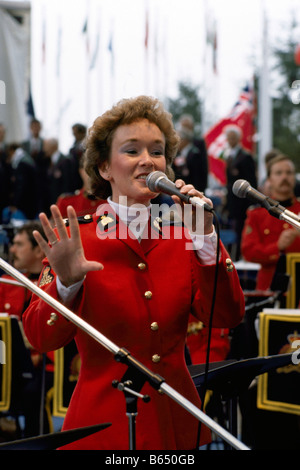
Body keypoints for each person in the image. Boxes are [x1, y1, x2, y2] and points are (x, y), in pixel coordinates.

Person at [22, 95, 245, 450]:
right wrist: (66, 284)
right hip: (102, 425)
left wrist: (204, 238)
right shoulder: (80, 239)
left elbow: (227, 315)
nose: (148, 161)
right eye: (132, 150)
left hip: (176, 421)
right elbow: (39, 337)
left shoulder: (181, 237)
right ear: (104, 168)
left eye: (157, 152)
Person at [0, 222, 53, 438]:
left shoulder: (52, 282)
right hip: (8, 363)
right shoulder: (6, 282)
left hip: (47, 366)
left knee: (33, 393)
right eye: (13, 244)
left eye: (19, 244)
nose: (12, 249)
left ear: (39, 249)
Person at [241, 154, 300, 291]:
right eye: (279, 173)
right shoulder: (257, 214)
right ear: (269, 179)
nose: (284, 177)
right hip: (269, 289)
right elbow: (248, 251)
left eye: (289, 173)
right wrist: (276, 247)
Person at [223, 125, 257, 260]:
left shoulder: (245, 156)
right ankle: (233, 257)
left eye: (233, 137)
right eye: (228, 137)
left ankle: (241, 256)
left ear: (238, 138)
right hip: (232, 201)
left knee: (242, 229)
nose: (230, 140)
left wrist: (251, 202)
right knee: (234, 229)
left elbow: (252, 180)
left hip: (243, 201)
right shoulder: (229, 155)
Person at [172, 114, 208, 192]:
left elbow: (202, 169)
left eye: (187, 126)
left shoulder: (198, 146)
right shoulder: (177, 151)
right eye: (183, 126)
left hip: (195, 188)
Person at [68, 123, 87, 192]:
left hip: (85, 174)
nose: (74, 135)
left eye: (76, 133)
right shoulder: (73, 148)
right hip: (75, 177)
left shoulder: (89, 146)